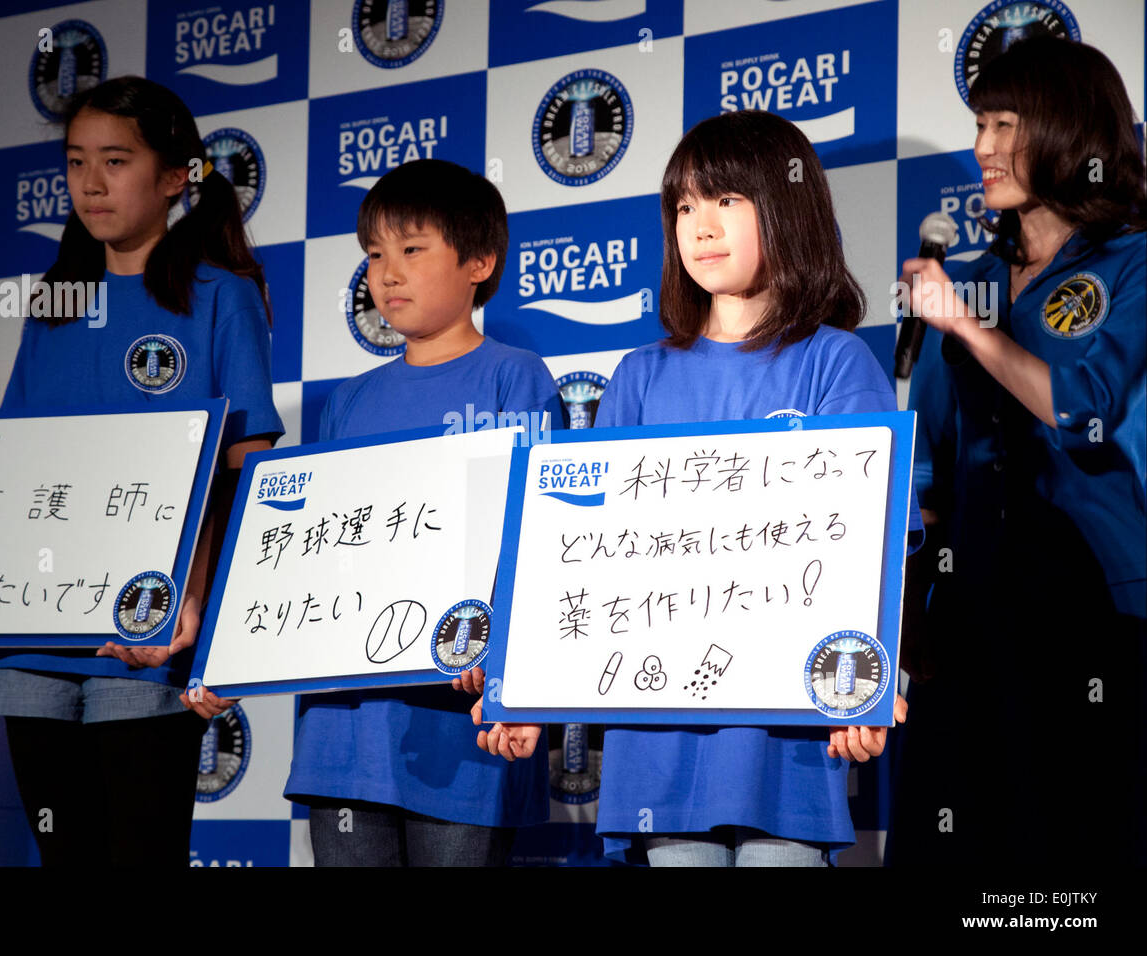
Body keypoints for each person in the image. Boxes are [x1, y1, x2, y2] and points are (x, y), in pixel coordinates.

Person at [477, 110, 916, 866]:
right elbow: (586, 558)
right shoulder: (640, 377)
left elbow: (874, 550)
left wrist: (864, 686)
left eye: (726, 202)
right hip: (658, 743)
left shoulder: (837, 364)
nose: (701, 227)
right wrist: (522, 693)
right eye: (684, 207)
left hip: (787, 740)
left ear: (787, 209)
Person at [0, 75, 283, 866]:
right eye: (76, 161)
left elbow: (242, 469)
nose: (91, 182)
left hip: (146, 641)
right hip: (31, 651)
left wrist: (193, 598)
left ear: (175, 176)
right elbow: (10, 476)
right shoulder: (55, 304)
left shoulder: (222, 297)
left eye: (116, 161)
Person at [888, 36, 1145, 866]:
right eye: (979, 123)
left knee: (1081, 837)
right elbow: (931, 462)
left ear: (1072, 132)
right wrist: (914, 598)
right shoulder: (965, 281)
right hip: (975, 605)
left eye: (1007, 123)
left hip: (1103, 604)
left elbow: (1082, 404)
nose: (984, 147)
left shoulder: (1133, 260)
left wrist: (964, 324)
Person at [281, 158, 559, 866]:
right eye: (374, 255)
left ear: (479, 262)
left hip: (459, 723)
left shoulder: (514, 375)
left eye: (411, 250)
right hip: (343, 732)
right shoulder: (345, 400)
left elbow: (541, 534)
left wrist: (494, 645)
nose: (386, 273)